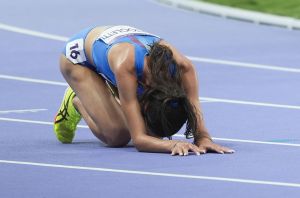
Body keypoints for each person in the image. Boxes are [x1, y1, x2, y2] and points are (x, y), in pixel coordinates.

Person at [54, 25, 234, 156]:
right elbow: (139, 139)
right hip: (78, 60)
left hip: (114, 55)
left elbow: (192, 103)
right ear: (145, 103)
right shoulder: (127, 66)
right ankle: (76, 100)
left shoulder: (184, 68)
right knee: (118, 136)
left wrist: (203, 138)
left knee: (145, 129)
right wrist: (171, 145)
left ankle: (103, 98)